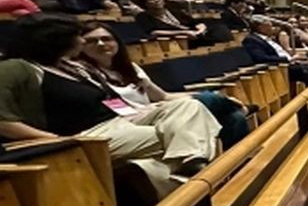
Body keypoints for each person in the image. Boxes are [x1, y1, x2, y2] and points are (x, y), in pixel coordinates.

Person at [0, 14, 220, 188]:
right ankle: (191, 183)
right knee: (187, 134)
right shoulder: (16, 67)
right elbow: (4, 122)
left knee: (189, 106)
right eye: (79, 36)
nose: (82, 40)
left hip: (120, 123)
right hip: (88, 135)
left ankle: (183, 175)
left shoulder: (66, 64)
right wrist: (57, 140)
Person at [75, 21, 250, 148]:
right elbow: (114, 108)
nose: (101, 44)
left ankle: (236, 168)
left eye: (106, 39)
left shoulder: (130, 68)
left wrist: (201, 96)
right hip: (134, 122)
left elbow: (163, 96)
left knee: (233, 117)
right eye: (91, 41)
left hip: (161, 111)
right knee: (208, 99)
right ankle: (236, 106)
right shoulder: (85, 74)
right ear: (80, 47)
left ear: (116, 42)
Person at [244, 15, 308, 85]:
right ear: (260, 27)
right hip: (281, 66)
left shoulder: (267, 38)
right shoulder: (251, 40)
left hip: (290, 61)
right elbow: (261, 58)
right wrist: (289, 59)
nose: (273, 28)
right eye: (269, 26)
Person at [134, 0, 213, 46]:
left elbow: (195, 22)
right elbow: (153, 33)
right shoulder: (143, 16)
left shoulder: (174, 11)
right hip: (176, 40)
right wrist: (184, 33)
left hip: (195, 34)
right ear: (145, 4)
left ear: (164, 1)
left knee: (219, 29)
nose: (156, 1)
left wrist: (200, 30)